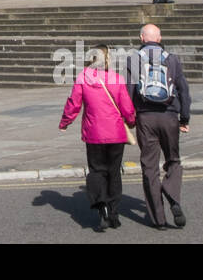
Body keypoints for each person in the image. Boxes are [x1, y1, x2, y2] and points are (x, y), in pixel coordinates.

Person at [59, 45, 137, 231]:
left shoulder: (82, 79)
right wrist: (132, 121)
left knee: (96, 170)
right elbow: (126, 106)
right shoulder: (116, 79)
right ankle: (114, 213)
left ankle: (100, 203)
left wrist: (65, 122)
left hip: (93, 133)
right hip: (116, 133)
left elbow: (73, 104)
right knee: (114, 172)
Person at [127, 24, 191, 230]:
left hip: (145, 118)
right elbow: (184, 91)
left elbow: (128, 91)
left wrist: (129, 119)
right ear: (160, 37)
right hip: (169, 116)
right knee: (173, 160)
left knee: (149, 166)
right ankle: (172, 193)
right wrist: (185, 119)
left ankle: (159, 219)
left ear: (141, 38)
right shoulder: (171, 59)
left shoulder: (134, 59)